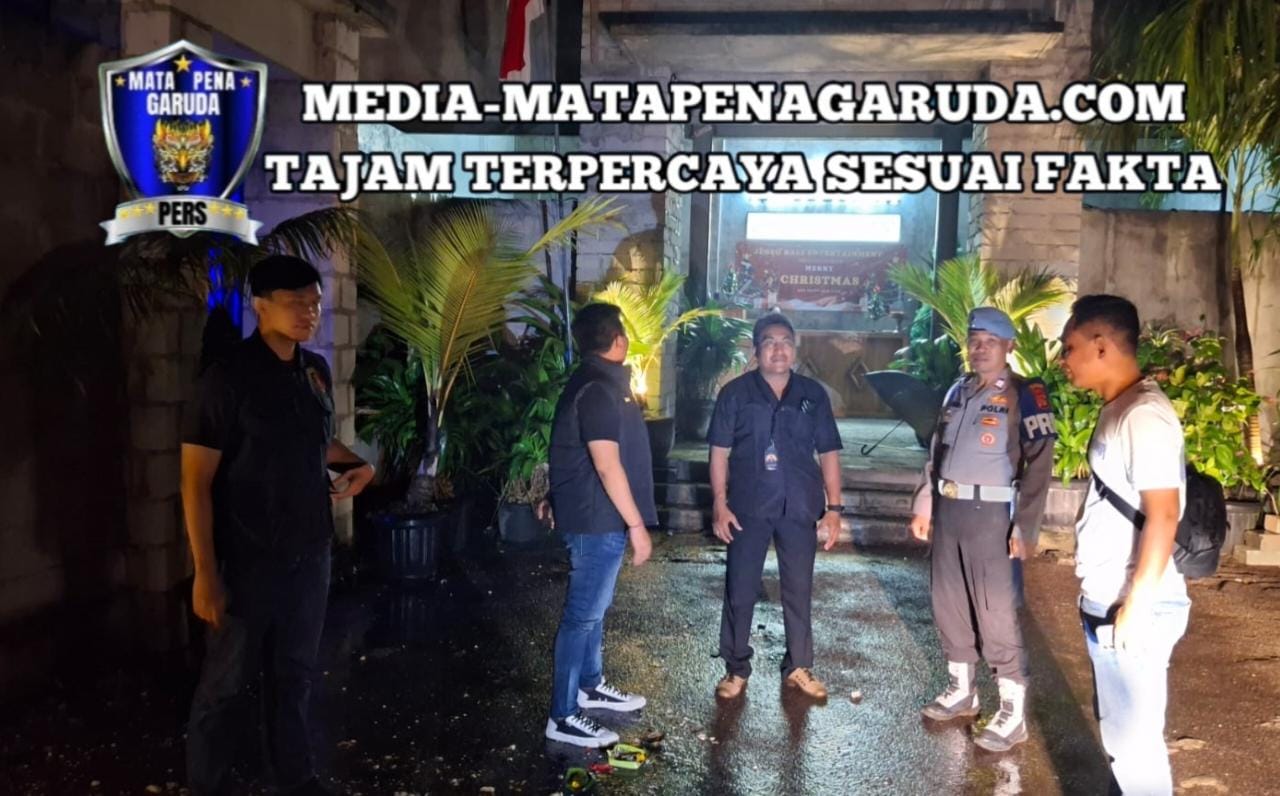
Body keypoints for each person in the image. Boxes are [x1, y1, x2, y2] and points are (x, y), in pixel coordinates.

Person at [182, 254, 375, 796]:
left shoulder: (314, 370)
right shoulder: (227, 379)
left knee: (294, 675)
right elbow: (195, 481)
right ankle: (208, 784)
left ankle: (295, 776)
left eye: (315, 303)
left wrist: (359, 465)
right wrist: (205, 573)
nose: (308, 313)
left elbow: (317, 440)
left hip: (309, 551)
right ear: (260, 306)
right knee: (225, 683)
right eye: (295, 303)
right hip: (247, 556)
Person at [909, 307, 1056, 753]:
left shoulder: (1025, 394)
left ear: (1009, 346)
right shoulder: (957, 390)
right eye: (974, 341)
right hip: (950, 509)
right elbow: (937, 451)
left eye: (990, 341)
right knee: (948, 601)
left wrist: (1024, 525)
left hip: (993, 515)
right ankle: (962, 690)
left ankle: (1012, 710)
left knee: (995, 610)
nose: (980, 348)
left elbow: (1041, 462)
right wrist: (925, 500)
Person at [1060, 294, 1189, 794]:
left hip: (1130, 606)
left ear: (1100, 346)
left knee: (1135, 750)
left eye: (1069, 347)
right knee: (1122, 741)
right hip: (1111, 599)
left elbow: (1164, 513)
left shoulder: (1142, 415)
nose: (1064, 359)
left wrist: (1136, 604)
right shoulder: (1121, 407)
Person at [709, 313, 843, 701]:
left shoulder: (812, 395)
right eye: (769, 341)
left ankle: (799, 666)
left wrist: (834, 508)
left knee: (799, 589)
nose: (778, 349)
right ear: (756, 350)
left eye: (785, 341)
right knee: (740, 589)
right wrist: (719, 503)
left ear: (795, 348)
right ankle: (736, 667)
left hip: (800, 505)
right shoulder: (735, 394)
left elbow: (829, 451)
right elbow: (718, 452)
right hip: (747, 506)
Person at [544, 302, 656, 748]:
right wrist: (637, 526)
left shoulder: (595, 382)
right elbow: (606, 465)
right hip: (596, 520)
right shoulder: (598, 389)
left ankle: (589, 686)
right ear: (619, 340)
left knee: (594, 608)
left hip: (596, 516)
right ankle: (563, 715)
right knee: (582, 615)